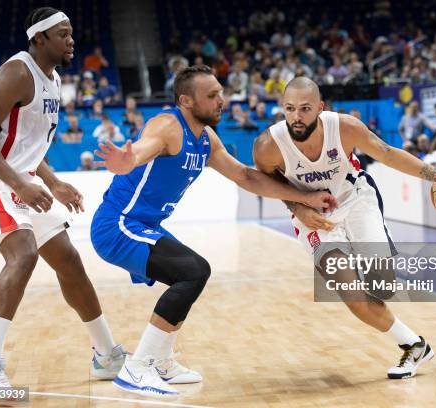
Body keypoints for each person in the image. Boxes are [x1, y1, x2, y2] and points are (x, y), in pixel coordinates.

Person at [90, 65, 336, 398]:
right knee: (193, 271)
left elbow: (246, 177)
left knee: (193, 275)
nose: (222, 100)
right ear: (186, 101)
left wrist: (304, 197)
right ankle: (139, 366)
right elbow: (143, 148)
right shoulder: (167, 126)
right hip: (117, 225)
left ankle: (161, 362)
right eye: (212, 95)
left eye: (220, 92)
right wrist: (128, 159)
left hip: (144, 226)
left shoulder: (206, 139)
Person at [0, 7, 125, 388]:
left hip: (21, 176)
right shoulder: (17, 72)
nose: (71, 40)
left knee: (68, 259)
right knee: (24, 253)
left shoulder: (54, 79)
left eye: (71, 33)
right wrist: (19, 184)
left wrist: (53, 182)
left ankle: (106, 355)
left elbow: (32, 143)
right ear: (39, 38)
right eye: (63, 33)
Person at [253, 77, 436, 380]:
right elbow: (270, 183)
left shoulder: (345, 127)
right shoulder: (268, 146)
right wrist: (297, 207)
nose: (296, 117)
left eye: (304, 109)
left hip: (355, 199)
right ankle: (414, 345)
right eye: (289, 109)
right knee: (351, 292)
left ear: (320, 108)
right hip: (314, 216)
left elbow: (387, 153)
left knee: (382, 288)